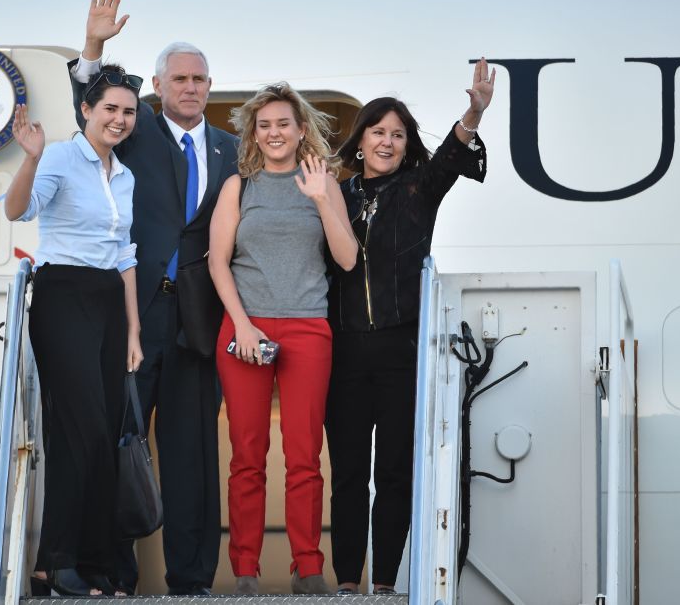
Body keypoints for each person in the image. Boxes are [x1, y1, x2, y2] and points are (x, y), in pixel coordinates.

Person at [66, 0, 240, 596]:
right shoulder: (132, 130)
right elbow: (85, 101)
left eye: (200, 79)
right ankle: (112, 574)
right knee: (120, 439)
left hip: (201, 319)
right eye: (179, 79)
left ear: (208, 88)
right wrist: (93, 44)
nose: (190, 87)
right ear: (158, 87)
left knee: (194, 454)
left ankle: (191, 580)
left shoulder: (232, 149)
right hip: (135, 314)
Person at [324, 59, 496, 595]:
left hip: (403, 346)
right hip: (346, 348)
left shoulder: (419, 189)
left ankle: (384, 583)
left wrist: (474, 112)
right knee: (350, 472)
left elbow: (450, 155)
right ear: (360, 141)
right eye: (378, 131)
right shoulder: (337, 195)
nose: (388, 141)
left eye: (397, 134)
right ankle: (349, 580)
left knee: (394, 472)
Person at [207, 82, 358, 595]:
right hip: (245, 328)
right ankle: (245, 570)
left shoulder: (324, 181)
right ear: (254, 132)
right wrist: (243, 325)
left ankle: (308, 568)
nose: (274, 132)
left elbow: (346, 258)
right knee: (246, 454)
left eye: (283, 124)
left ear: (300, 131)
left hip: (307, 327)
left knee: (304, 455)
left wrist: (319, 200)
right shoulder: (239, 186)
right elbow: (217, 263)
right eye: (264, 124)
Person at [4, 64, 145, 597]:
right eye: (109, 108)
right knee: (77, 430)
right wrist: (31, 158)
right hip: (63, 296)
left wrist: (132, 329)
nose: (119, 119)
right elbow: (19, 211)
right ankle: (55, 562)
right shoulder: (60, 156)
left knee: (104, 433)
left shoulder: (125, 175)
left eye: (128, 111)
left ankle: (91, 563)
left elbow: (125, 256)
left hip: (110, 302)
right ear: (86, 109)